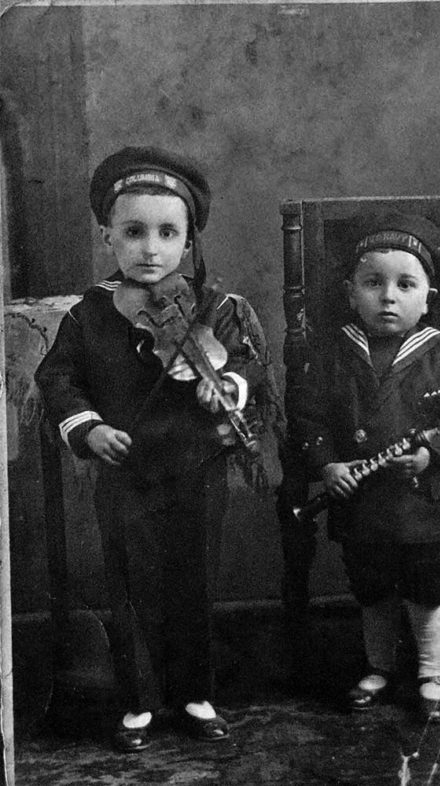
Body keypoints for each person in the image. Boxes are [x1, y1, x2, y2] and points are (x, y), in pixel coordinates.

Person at [35, 146, 266, 751]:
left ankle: (195, 695)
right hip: (126, 471)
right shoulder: (90, 315)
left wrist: (229, 387)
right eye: (133, 232)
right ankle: (138, 701)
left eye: (168, 233)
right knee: (130, 586)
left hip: (197, 465)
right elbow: (58, 379)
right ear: (107, 235)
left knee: (195, 581)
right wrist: (89, 427)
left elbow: (250, 367)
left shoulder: (216, 308)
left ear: (189, 242)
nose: (151, 249)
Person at [291, 212, 440, 722]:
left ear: (428, 298)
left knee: (426, 594)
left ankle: (432, 675)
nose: (388, 297)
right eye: (373, 283)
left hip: (422, 503)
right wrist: (328, 465)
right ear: (351, 293)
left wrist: (430, 452)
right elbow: (308, 416)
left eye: (405, 285)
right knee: (372, 592)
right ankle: (379, 667)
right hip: (363, 501)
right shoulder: (334, 352)